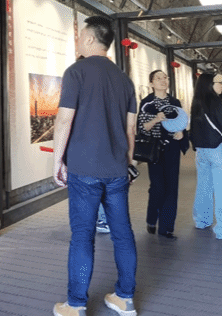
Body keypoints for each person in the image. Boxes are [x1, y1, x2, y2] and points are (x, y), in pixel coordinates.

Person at [52, 16, 138, 316]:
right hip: (116, 170)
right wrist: (127, 163)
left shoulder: (76, 72)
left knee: (82, 235)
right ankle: (125, 298)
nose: (78, 41)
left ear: (90, 38)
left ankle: (76, 304)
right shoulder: (125, 80)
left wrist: (57, 160)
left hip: (84, 169)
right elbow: (130, 130)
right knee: (122, 234)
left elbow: (65, 119)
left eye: (80, 35)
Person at [190, 72, 222, 240]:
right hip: (218, 150)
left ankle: (202, 220)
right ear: (210, 85)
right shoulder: (216, 102)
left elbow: (193, 128)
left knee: (203, 187)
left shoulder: (197, 102)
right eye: (219, 83)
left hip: (201, 151)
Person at [137, 69, 188, 239]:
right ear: (151, 83)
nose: (163, 80)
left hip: (172, 148)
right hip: (155, 150)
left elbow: (181, 121)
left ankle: (166, 227)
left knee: (172, 188)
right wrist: (156, 119)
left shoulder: (174, 102)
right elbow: (143, 128)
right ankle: (152, 219)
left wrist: (181, 132)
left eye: (165, 77)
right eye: (158, 78)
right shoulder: (147, 103)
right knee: (158, 187)